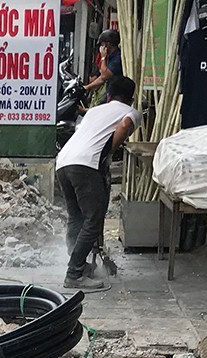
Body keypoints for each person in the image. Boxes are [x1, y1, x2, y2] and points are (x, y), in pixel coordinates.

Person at [54, 73, 138, 291]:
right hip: (86, 165)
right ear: (131, 98)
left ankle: (78, 263)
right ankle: (74, 273)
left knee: (76, 216)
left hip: (64, 161)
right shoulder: (131, 112)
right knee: (93, 219)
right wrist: (107, 155)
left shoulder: (96, 111)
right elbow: (124, 126)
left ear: (109, 95)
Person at [84, 28, 122, 96]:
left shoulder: (117, 58)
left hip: (117, 93)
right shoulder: (110, 57)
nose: (101, 47)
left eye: (102, 44)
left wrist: (103, 57)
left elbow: (104, 76)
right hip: (110, 90)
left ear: (108, 44)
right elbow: (101, 77)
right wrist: (87, 87)